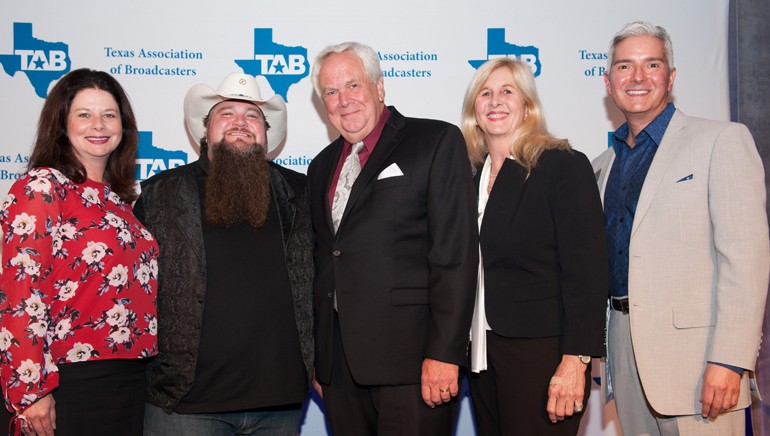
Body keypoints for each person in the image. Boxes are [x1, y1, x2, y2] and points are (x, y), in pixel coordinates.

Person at [593, 21, 770, 435]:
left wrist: (729, 360)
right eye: (624, 66)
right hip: (624, 352)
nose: (637, 77)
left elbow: (745, 260)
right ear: (608, 81)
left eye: (651, 64)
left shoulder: (721, 141)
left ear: (670, 78)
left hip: (699, 366)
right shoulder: (602, 166)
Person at [307, 42, 478, 435]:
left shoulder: (435, 142)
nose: (343, 100)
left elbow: (455, 255)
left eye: (353, 85)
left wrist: (444, 353)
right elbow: (325, 259)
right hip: (340, 370)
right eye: (330, 92)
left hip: (414, 366)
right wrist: (322, 358)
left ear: (379, 87)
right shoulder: (320, 167)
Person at [134, 72, 313, 436]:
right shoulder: (160, 195)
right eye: (226, 113)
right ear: (205, 131)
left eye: (252, 116)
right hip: (185, 406)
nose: (240, 123)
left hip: (280, 404)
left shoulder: (302, 193)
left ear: (265, 132)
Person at [0, 68, 159, 436]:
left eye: (109, 115)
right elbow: (21, 294)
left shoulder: (119, 201)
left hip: (129, 379)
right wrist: (30, 392)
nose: (98, 125)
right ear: (62, 124)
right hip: (68, 381)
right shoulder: (42, 187)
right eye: (84, 114)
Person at [461, 58, 608, 435]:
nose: (496, 101)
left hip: (543, 353)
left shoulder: (561, 166)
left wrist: (576, 360)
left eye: (508, 91)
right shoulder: (467, 176)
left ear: (528, 106)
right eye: (486, 93)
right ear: (474, 110)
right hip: (481, 352)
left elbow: (587, 272)